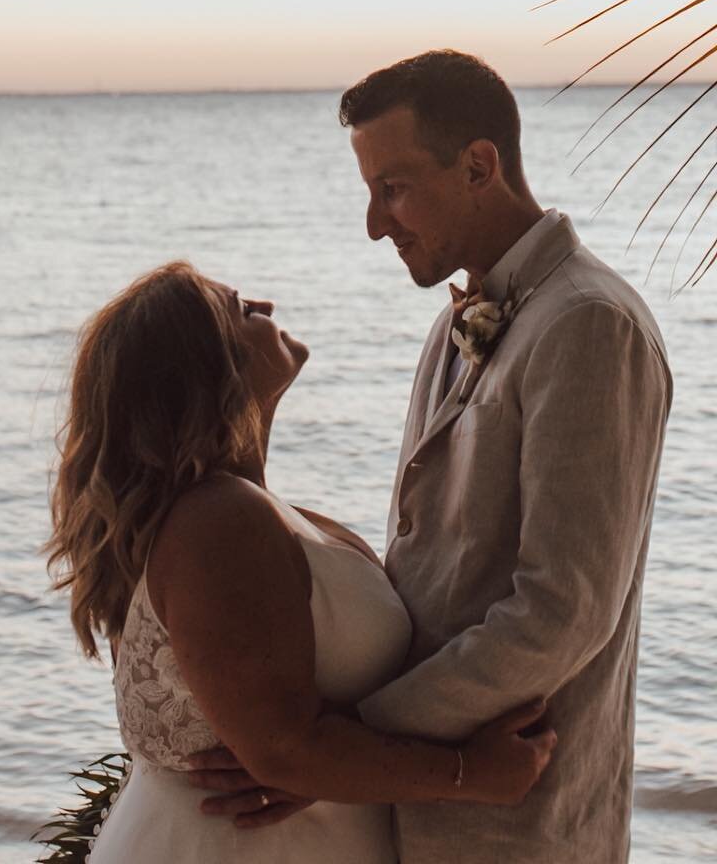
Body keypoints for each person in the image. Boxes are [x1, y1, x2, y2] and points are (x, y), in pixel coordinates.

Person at [189, 50, 672, 862]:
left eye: (393, 188)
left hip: (520, 824)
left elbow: (562, 611)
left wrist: (345, 744)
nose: (376, 223)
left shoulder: (590, 324)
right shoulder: (454, 323)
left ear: (479, 165)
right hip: (417, 805)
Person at [46, 259, 555, 861]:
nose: (263, 305)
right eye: (238, 309)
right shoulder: (218, 520)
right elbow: (283, 749)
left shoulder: (250, 512)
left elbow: (291, 732)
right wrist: (472, 775)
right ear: (203, 368)